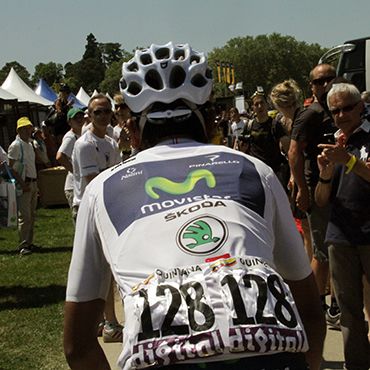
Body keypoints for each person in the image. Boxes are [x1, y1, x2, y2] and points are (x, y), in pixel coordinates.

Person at [64, 42, 325, 370]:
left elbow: (77, 346)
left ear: (130, 130)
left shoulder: (100, 190)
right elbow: (311, 313)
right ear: (213, 120)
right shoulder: (255, 170)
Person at [315, 82, 370, 370]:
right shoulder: (334, 143)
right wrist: (325, 175)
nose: (341, 115)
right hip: (340, 236)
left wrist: (347, 160)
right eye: (335, 110)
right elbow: (321, 200)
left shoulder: (364, 140)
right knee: (348, 312)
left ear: (360, 106)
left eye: (347, 108)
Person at [71, 93, 123, 343]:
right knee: (96, 268)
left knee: (107, 267)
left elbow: (116, 176)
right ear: (89, 116)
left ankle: (104, 321)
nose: (102, 116)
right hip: (88, 209)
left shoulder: (111, 142)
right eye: (97, 112)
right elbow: (95, 184)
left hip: (107, 205)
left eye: (106, 111)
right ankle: (108, 324)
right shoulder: (85, 144)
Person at [288, 64, 337, 317]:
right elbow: (294, 153)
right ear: (312, 86)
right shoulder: (311, 114)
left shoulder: (337, 109)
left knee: (337, 250)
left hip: (341, 190)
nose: (326, 85)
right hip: (318, 190)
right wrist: (302, 191)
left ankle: (335, 304)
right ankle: (315, 308)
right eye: (320, 82)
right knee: (322, 251)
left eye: (330, 79)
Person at [270, 79, 313, 261]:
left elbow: (294, 153)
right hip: (302, 178)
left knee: (310, 232)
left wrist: (299, 185)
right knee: (307, 230)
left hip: (308, 180)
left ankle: (316, 275)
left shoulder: (299, 120)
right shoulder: (300, 117)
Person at [238, 91, 290, 189]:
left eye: (262, 103)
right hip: (255, 173)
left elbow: (289, 148)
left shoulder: (276, 125)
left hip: (274, 173)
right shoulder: (249, 126)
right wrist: (242, 150)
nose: (260, 106)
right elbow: (242, 150)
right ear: (253, 108)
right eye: (256, 104)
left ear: (267, 104)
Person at [7, 117, 42, 255]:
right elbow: (11, 167)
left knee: (32, 215)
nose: (29, 131)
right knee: (25, 216)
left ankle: (29, 242)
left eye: (30, 128)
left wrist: (36, 185)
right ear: (19, 130)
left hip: (32, 183)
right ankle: (23, 245)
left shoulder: (29, 144)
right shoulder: (15, 146)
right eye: (26, 129)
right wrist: (22, 184)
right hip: (24, 184)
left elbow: (31, 166)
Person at [56, 108, 85, 223]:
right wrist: (76, 172)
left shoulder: (82, 135)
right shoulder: (70, 137)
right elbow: (60, 157)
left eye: (80, 117)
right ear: (69, 122)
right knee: (79, 220)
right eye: (75, 118)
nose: (79, 120)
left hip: (80, 185)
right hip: (73, 186)